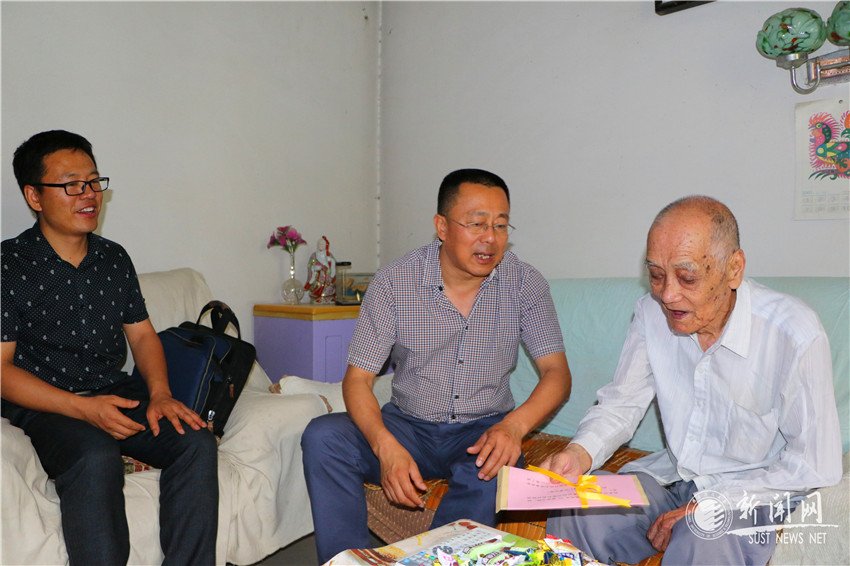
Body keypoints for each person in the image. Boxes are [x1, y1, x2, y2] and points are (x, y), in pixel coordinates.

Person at [542, 196, 842, 566]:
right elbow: (622, 403)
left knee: (705, 532)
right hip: (671, 478)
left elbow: (815, 464)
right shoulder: (651, 313)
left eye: (687, 278)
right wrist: (579, 452)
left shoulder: (792, 332)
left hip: (750, 495)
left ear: (733, 269)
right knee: (577, 504)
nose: (667, 295)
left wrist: (713, 502)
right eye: (656, 275)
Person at [301, 168, 572, 563]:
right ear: (442, 227)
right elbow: (358, 379)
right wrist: (385, 445)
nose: (490, 238)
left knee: (497, 469)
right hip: (407, 425)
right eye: (476, 223)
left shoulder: (524, 283)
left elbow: (557, 374)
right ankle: (348, 560)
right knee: (323, 437)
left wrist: (513, 428)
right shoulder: (395, 282)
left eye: (500, 225)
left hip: (482, 430)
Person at [1, 130, 218, 565]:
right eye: (71, 184)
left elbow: (142, 335)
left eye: (93, 181)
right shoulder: (9, 265)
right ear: (34, 196)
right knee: (96, 454)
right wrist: (83, 409)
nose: (89, 195)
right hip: (44, 405)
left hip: (113, 391)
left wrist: (160, 394)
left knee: (194, 441)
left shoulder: (114, 258)